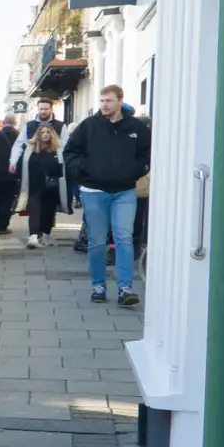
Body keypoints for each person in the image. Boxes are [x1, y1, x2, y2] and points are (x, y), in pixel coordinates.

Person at [64, 85, 150, 306]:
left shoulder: (136, 127)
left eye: (109, 101)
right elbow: (70, 152)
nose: (104, 105)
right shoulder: (88, 126)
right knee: (97, 241)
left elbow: (147, 152)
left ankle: (125, 288)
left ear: (120, 101)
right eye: (101, 100)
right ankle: (98, 286)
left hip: (124, 191)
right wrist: (85, 171)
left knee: (123, 238)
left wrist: (135, 170)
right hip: (94, 191)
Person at [20, 123, 69, 248]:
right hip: (34, 185)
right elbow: (23, 166)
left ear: (52, 135)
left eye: (48, 132)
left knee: (48, 212)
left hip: (51, 187)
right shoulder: (30, 150)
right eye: (43, 132)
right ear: (38, 135)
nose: (45, 134)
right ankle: (33, 236)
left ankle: (45, 234)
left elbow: (62, 168)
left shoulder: (58, 149)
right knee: (34, 211)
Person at [0, 115, 21, 234]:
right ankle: (2, 225)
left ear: (4, 123)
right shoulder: (18, 137)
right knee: (7, 200)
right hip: (12, 173)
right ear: (15, 123)